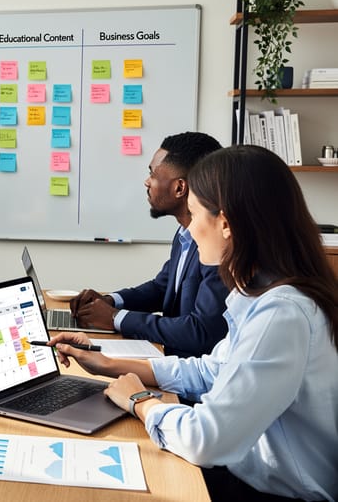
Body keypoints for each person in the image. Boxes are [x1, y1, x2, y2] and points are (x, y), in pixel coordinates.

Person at [49, 145, 338, 501]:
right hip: (248, 475)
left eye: (196, 214)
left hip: (274, 493)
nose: (191, 228)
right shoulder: (263, 294)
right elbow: (212, 371)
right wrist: (107, 363)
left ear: (226, 223)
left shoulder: (281, 313)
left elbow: (206, 440)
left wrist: (140, 400)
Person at [69, 132, 229, 357]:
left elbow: (202, 332)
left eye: (152, 173)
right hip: (170, 362)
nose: (147, 181)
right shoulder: (184, 234)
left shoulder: (218, 246)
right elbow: (163, 288)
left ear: (179, 188)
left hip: (191, 376)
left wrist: (115, 318)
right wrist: (110, 301)